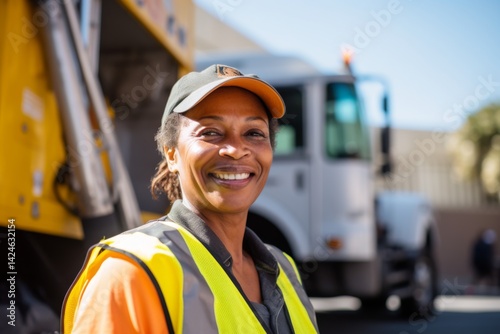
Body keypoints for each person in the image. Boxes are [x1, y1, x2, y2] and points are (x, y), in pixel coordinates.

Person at [62, 64, 319, 333]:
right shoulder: (130, 270)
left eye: (253, 133)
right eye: (210, 132)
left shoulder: (284, 270)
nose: (235, 149)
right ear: (171, 154)